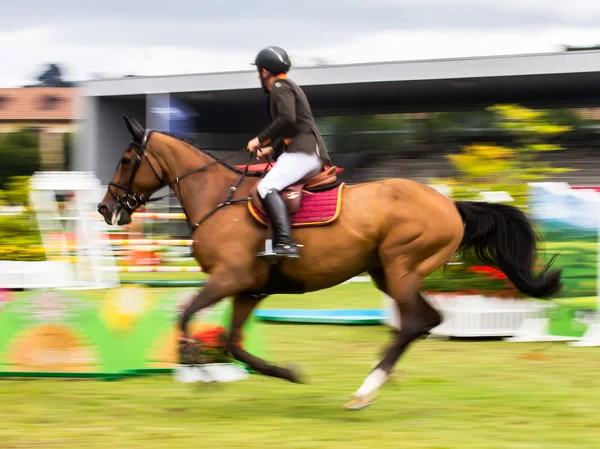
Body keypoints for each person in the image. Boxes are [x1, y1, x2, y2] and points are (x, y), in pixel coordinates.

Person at [247, 46, 332, 260]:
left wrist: (260, 139)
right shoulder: (287, 85)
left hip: (303, 151)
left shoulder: (279, 86)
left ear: (264, 71)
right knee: (269, 184)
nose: (258, 76)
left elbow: (287, 118)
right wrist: (272, 148)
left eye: (258, 71)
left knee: (267, 186)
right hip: (305, 149)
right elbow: (291, 126)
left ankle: (285, 242)